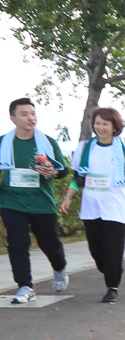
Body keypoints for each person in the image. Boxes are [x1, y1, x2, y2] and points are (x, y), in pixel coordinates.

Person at [60, 107, 125, 303]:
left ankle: (112, 287)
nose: (100, 127)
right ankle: (111, 269)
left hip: (115, 205)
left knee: (112, 248)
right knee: (96, 250)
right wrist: (68, 197)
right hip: (91, 205)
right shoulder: (85, 148)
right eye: (97, 123)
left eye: (105, 124)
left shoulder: (124, 150)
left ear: (114, 127)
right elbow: (77, 177)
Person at [1, 98, 70, 305]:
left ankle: (59, 267)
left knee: (48, 242)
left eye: (33, 113)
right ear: (13, 118)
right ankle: (25, 286)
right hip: (12, 202)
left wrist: (53, 172)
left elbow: (62, 171)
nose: (31, 118)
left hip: (41, 202)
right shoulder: (3, 143)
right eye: (24, 114)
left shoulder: (47, 142)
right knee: (17, 243)